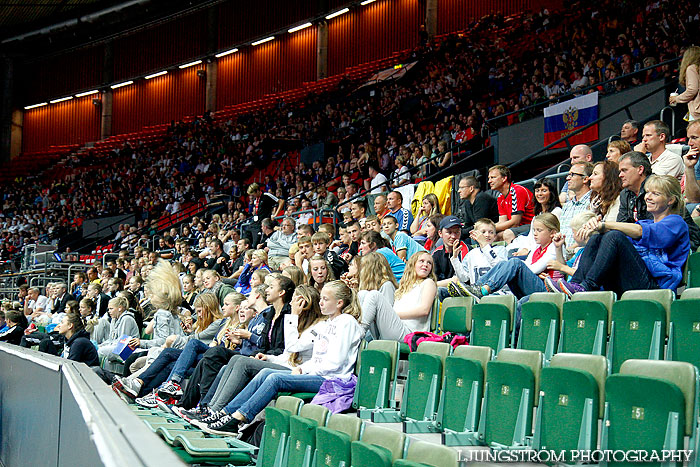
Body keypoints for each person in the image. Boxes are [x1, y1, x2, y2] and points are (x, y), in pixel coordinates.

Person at [198, 280, 363, 435]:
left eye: (326, 299)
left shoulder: (346, 322)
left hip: (333, 380)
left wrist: (305, 372)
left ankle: (238, 419)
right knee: (265, 373)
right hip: (318, 374)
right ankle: (227, 413)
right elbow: (308, 354)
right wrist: (302, 368)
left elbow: (336, 362)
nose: (321, 302)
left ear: (339, 303)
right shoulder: (326, 324)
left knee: (275, 378)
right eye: (321, 298)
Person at [188, 285, 324, 419]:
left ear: (303, 303)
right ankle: (208, 408)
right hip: (286, 364)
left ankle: (217, 411)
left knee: (241, 362)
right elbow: (287, 356)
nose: (291, 303)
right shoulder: (299, 324)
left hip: (297, 371)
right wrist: (268, 358)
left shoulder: (317, 326)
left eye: (294, 299)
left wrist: (293, 316)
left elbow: (293, 347)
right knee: (229, 363)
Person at [556, 175, 690, 296]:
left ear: (670, 200)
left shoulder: (676, 222)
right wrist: (595, 229)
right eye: (648, 192)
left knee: (614, 236)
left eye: (655, 194)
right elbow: (620, 245)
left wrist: (605, 225)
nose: (647, 197)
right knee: (599, 237)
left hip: (657, 287)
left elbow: (641, 232)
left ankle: (587, 286)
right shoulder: (645, 222)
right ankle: (576, 284)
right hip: (632, 281)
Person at [456, 213, 561, 303]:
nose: (535, 233)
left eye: (539, 230)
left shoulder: (554, 247)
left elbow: (533, 269)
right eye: (534, 230)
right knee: (506, 264)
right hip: (534, 287)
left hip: (547, 292)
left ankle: (483, 290)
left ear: (552, 233)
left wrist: (533, 272)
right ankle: (475, 288)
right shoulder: (537, 248)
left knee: (514, 263)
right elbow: (529, 268)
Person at [357, 251, 438, 341]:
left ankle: (357, 333)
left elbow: (424, 310)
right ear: (413, 264)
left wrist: (395, 315)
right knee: (362, 294)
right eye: (421, 261)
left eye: (429, 263)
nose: (425, 264)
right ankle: (358, 331)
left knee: (374, 295)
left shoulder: (428, 283)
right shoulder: (405, 286)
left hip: (410, 333)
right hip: (395, 328)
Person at [447, 218, 507, 295]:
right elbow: (464, 278)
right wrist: (455, 259)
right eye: (483, 232)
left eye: (491, 232)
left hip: (497, 292)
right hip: (476, 294)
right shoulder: (471, 254)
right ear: (475, 234)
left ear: (495, 236)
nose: (487, 235)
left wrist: (485, 245)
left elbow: (501, 268)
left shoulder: (501, 250)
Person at [488, 165, 535, 240]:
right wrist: (484, 230)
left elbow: (515, 222)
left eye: (493, 177)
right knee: (488, 237)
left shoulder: (517, 191)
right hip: (517, 228)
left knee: (506, 234)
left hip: (532, 226)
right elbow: (502, 222)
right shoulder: (500, 197)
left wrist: (488, 229)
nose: (489, 181)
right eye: (489, 178)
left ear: (504, 178)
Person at [559, 162, 593, 252]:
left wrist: (568, 250)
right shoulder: (567, 206)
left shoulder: (593, 203)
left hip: (580, 254)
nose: (567, 178)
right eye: (568, 175)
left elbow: (589, 237)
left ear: (585, 179)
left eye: (572, 175)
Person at [670, 46, 700, 122]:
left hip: (697, 111)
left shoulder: (692, 68)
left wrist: (676, 99)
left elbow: (692, 90)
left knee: (694, 133)